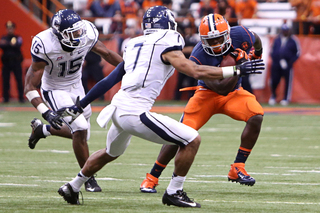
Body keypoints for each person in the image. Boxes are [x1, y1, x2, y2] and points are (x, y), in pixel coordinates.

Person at [55, 6, 264, 207]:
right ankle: (174, 192)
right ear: (168, 23)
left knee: (111, 152)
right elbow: (195, 71)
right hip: (134, 111)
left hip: (117, 108)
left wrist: (80, 105)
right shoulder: (168, 40)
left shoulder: (135, 43)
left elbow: (109, 80)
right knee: (191, 139)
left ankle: (73, 186)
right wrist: (236, 71)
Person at [140, 13, 264, 194]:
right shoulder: (198, 55)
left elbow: (256, 39)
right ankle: (151, 177)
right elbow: (220, 89)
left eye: (219, 39)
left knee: (256, 115)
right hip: (207, 94)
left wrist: (257, 54)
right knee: (179, 134)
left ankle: (237, 167)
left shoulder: (241, 34)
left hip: (234, 93)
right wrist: (239, 68)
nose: (215, 45)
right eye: (210, 41)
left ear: (228, 34)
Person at [24, 9, 123, 192]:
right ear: (59, 34)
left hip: (77, 86)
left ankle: (42, 130)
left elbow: (107, 53)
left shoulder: (87, 32)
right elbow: (29, 87)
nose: (78, 35)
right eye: (73, 33)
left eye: (78, 31)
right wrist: (46, 111)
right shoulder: (45, 44)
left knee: (82, 134)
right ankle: (88, 178)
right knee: (80, 129)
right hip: (55, 88)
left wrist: (130, 68)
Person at [269, 24, 300, 106]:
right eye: (284, 30)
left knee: (287, 81)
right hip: (276, 63)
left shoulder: (293, 40)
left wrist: (290, 62)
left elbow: (297, 53)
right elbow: (272, 50)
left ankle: (286, 98)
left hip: (287, 64)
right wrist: (276, 59)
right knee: (274, 80)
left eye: (286, 30)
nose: (285, 32)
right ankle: (273, 96)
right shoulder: (277, 39)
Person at [0, 21, 24, 103]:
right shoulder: (3, 37)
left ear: (14, 29)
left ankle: (21, 97)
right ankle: (5, 98)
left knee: (19, 80)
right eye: (8, 28)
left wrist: (8, 44)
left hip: (16, 62)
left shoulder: (18, 37)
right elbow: (2, 45)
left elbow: (18, 44)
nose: (10, 30)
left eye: (11, 28)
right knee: (5, 80)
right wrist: (10, 44)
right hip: (6, 63)